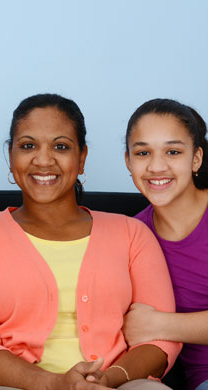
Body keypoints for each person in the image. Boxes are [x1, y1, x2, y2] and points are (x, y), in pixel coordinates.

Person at [0, 93, 181, 390]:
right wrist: (56, 384)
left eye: (61, 146)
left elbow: (161, 339)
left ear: (81, 158)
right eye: (28, 146)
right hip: (13, 385)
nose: (43, 160)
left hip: (117, 383)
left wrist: (107, 379)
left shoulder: (132, 234)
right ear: (11, 156)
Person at [124, 98, 208, 390]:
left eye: (173, 152)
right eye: (143, 152)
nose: (157, 166)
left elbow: (144, 325)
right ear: (128, 162)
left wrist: (161, 324)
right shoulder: (132, 235)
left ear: (196, 159)